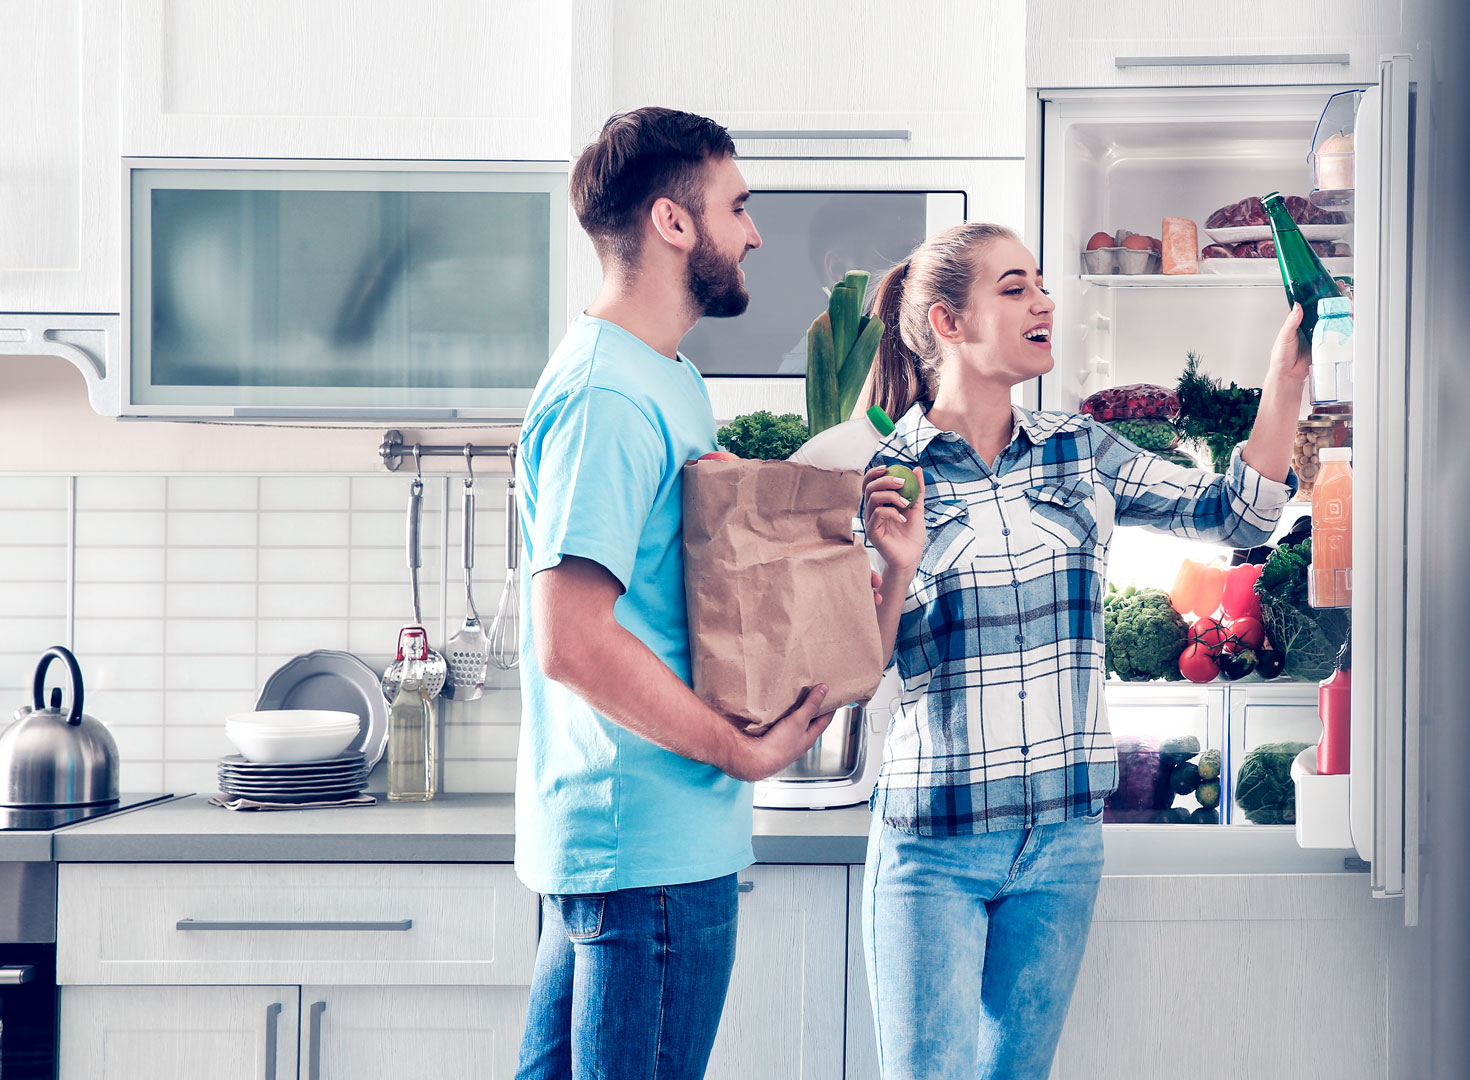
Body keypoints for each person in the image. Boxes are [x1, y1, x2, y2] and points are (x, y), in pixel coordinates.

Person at [822, 222, 1309, 1080]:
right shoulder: (884, 477)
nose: (1046, 301)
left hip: (1063, 841)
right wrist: (895, 567)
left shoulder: (1079, 451)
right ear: (948, 324)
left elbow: (1241, 516)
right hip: (935, 841)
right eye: (1014, 289)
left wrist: (1286, 376)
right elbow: (855, 676)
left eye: (1042, 284)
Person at [512, 107, 842, 1080]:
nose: (754, 234)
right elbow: (570, 638)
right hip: (647, 849)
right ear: (672, 222)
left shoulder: (665, 379)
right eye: (737, 207)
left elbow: (664, 568)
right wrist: (738, 754)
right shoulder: (609, 394)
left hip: (634, 843)